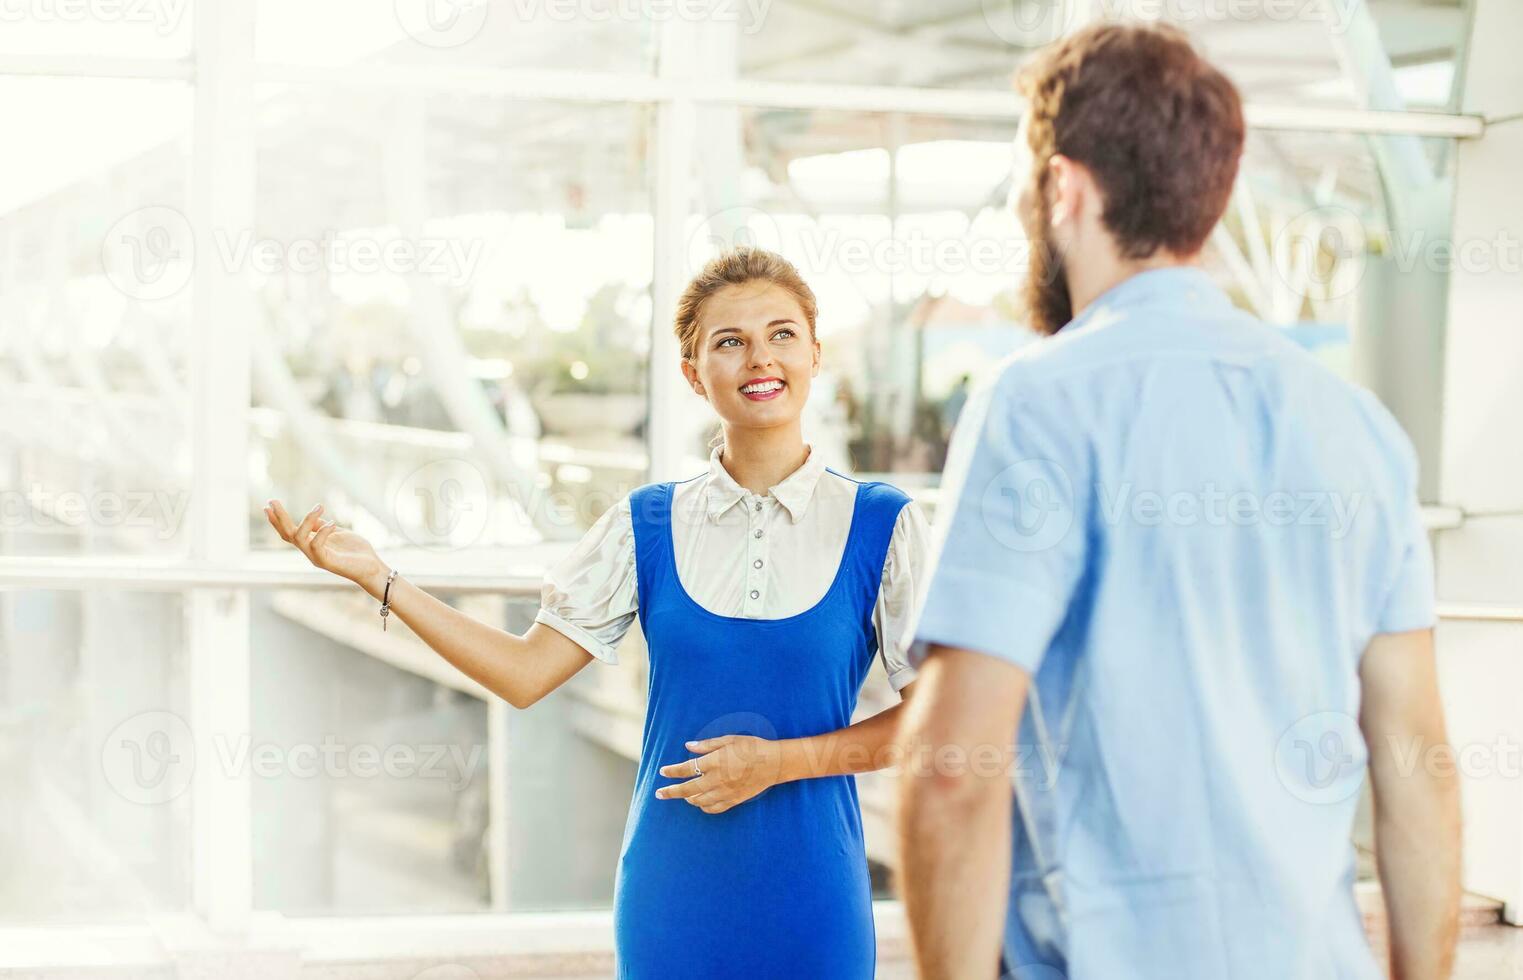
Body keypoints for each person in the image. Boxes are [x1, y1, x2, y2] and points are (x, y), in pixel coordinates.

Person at [894, 22, 1460, 980]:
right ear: (1212, 193)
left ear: (1063, 190)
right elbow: (1418, 767)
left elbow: (952, 767)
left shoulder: (1039, 401)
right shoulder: (1357, 426)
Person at [265, 245, 928, 979]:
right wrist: (381, 579)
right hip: (671, 893)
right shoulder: (643, 522)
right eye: (728, 342)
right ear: (691, 374)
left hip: (815, 900)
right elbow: (525, 674)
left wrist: (779, 763)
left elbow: (933, 721)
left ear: (813, 354)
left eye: (780, 334)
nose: (758, 359)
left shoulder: (884, 525)